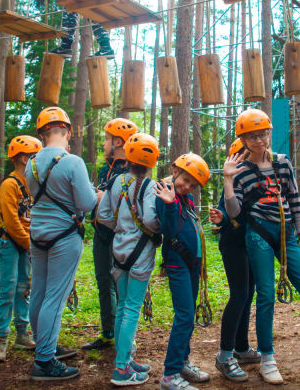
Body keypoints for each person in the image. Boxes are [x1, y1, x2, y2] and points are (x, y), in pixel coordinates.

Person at [223, 108, 300, 385]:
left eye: (263, 134)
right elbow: (234, 212)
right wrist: (227, 179)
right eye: (253, 136)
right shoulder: (241, 171)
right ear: (244, 140)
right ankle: (267, 358)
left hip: (286, 234)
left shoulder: (283, 163)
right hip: (258, 233)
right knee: (266, 296)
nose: (260, 140)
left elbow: (294, 200)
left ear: (270, 134)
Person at [26, 107, 98, 381]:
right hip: (65, 236)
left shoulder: (31, 164)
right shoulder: (72, 162)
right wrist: (97, 194)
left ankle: (43, 344)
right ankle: (44, 360)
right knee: (55, 298)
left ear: (43, 134)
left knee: (39, 293)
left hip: (37, 234)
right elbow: (86, 204)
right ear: (67, 132)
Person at [97, 133, 161, 386]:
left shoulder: (117, 181)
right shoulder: (149, 186)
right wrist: (158, 231)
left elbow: (103, 215)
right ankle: (121, 367)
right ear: (152, 161)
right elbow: (149, 221)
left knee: (124, 306)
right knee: (132, 308)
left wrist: (121, 228)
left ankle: (126, 357)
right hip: (140, 254)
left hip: (119, 252)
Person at [83, 117, 139, 351]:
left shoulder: (131, 170)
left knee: (120, 285)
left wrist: (98, 195)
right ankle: (108, 333)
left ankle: (124, 337)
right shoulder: (107, 169)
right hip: (101, 234)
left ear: (118, 141)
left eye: (107, 139)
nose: (104, 143)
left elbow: (101, 199)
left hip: (120, 236)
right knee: (103, 281)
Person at [158, 153, 212, 390]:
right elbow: (168, 231)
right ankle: (170, 374)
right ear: (175, 170)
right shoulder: (165, 192)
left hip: (191, 264)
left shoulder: (186, 198)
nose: (187, 186)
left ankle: (182, 362)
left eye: (193, 185)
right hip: (177, 263)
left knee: (188, 317)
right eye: (186, 180)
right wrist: (169, 204)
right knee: (184, 316)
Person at [208, 138, 259, 383]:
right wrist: (221, 218)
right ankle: (225, 354)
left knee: (248, 293)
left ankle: (241, 347)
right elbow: (226, 211)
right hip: (234, 242)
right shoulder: (234, 179)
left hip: (251, 243)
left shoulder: (259, 177)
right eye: (242, 156)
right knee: (239, 294)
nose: (246, 161)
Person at [0, 136, 41, 362]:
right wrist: (28, 244)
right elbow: (10, 221)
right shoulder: (9, 185)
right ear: (23, 158)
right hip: (9, 241)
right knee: (7, 288)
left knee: (24, 288)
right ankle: (0, 339)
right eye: (34, 157)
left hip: (26, 243)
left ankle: (22, 333)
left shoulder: (33, 183)